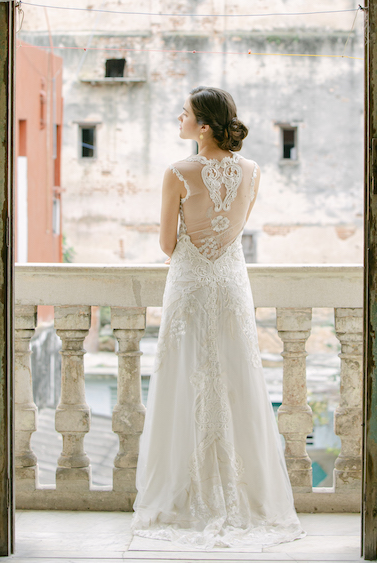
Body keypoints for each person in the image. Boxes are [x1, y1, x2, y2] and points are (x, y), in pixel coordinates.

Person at [131, 86, 304, 549]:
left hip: (189, 283)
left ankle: (188, 492)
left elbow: (167, 245)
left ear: (203, 126)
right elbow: (236, 225)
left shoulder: (178, 172)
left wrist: (190, 243)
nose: (178, 119)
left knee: (185, 379)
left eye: (184, 114)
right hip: (230, 284)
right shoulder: (253, 171)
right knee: (236, 381)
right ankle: (245, 496)